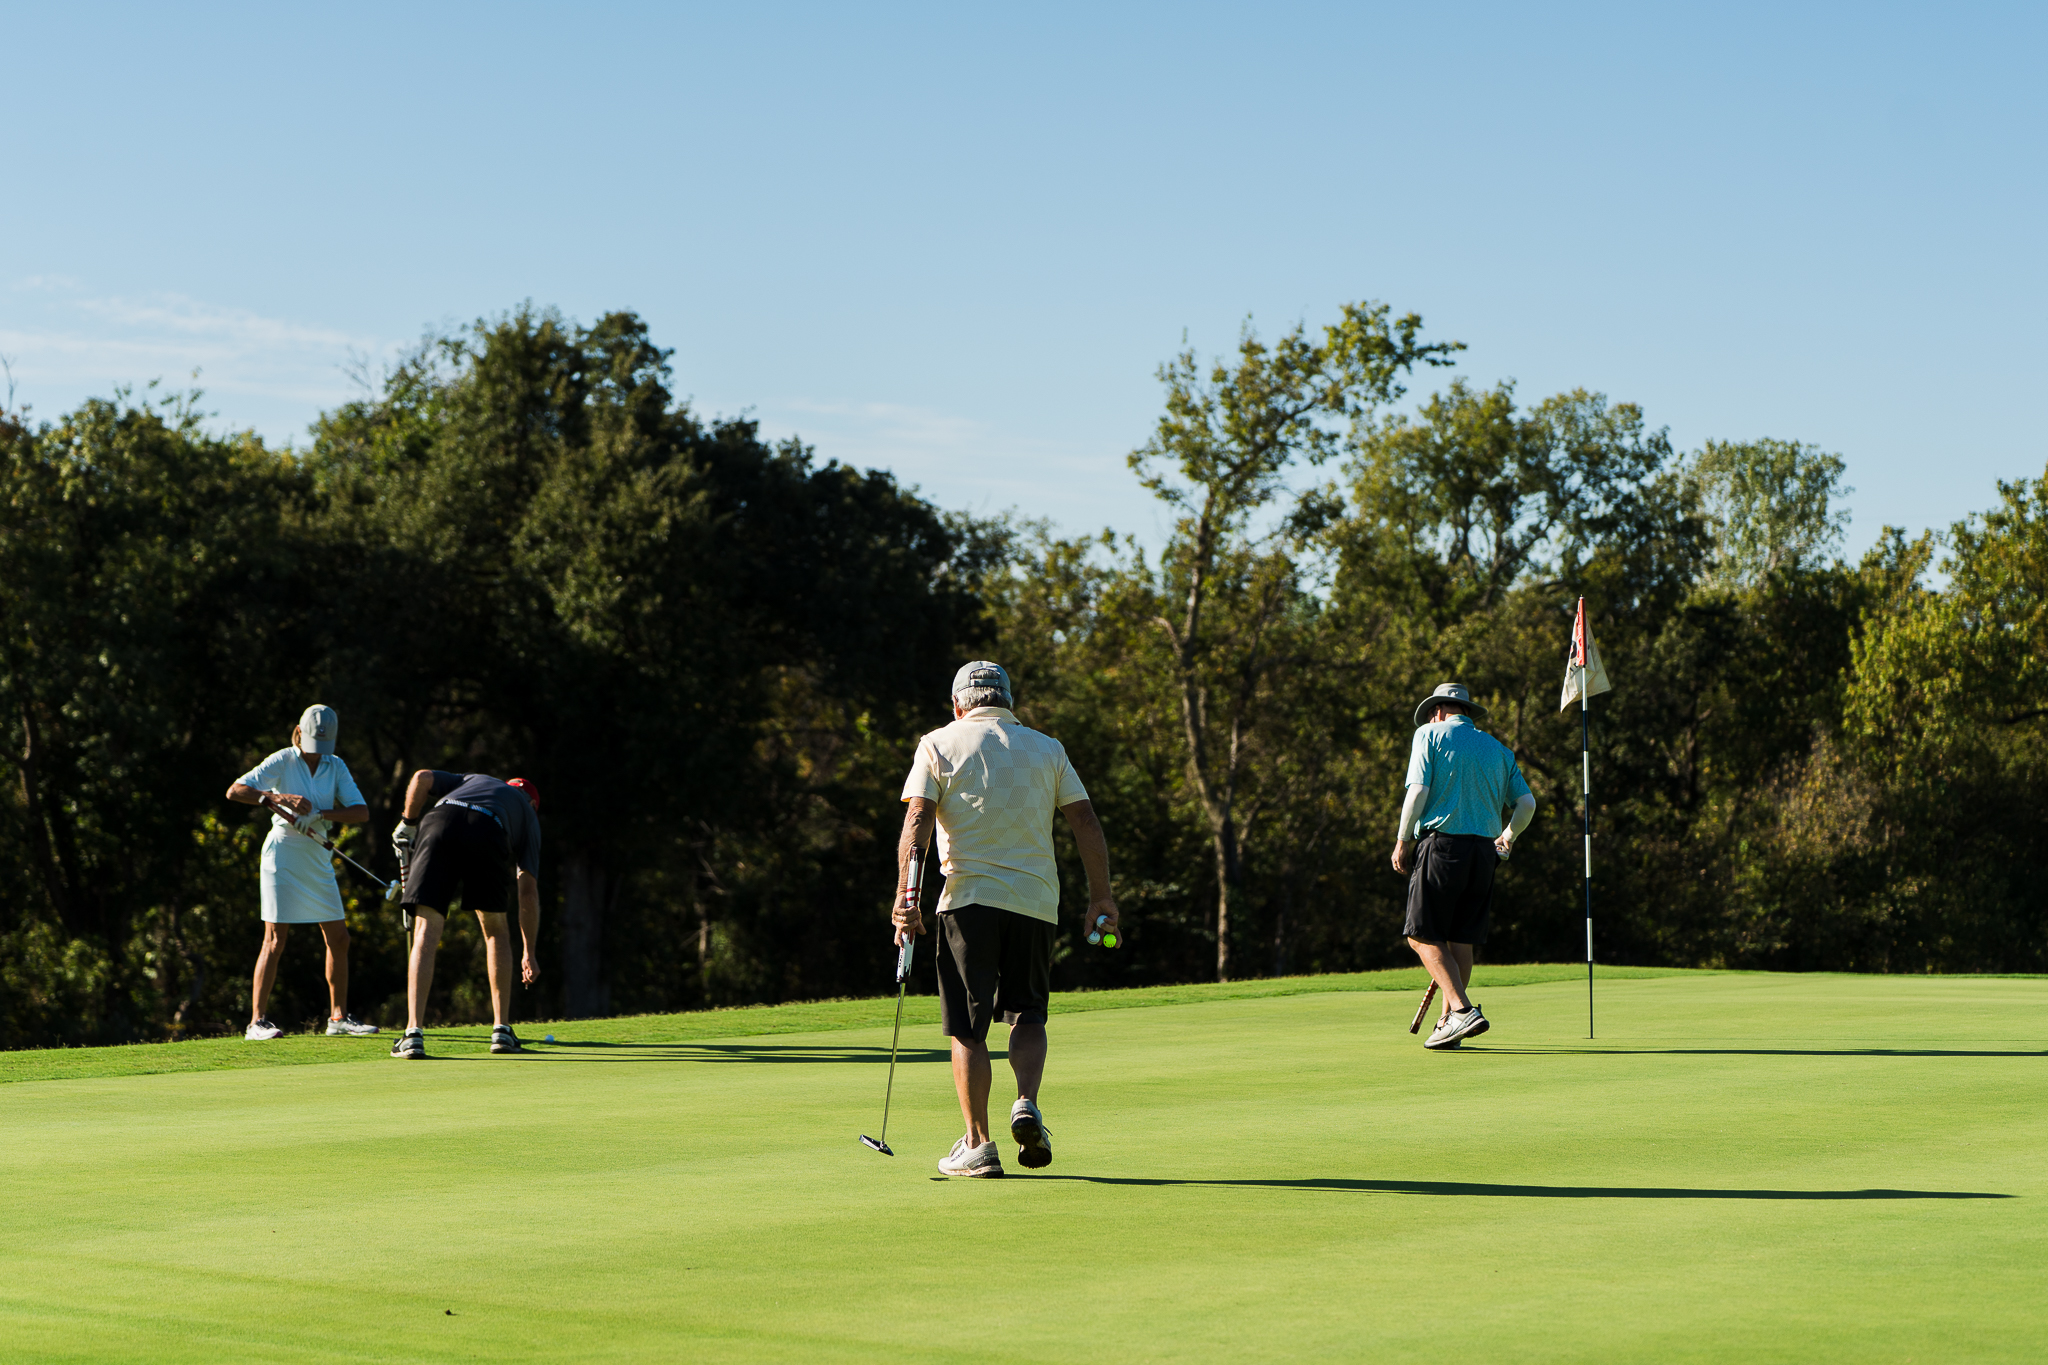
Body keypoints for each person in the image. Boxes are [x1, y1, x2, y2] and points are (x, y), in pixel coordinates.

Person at [892, 660, 1118, 1178]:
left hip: (968, 901)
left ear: (957, 705)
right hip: (1036, 902)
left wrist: (907, 898)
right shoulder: (1047, 748)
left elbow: (918, 818)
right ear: (1008, 702)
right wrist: (1101, 898)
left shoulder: (938, 743)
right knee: (1028, 1013)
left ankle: (977, 1144)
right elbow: (1084, 820)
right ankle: (1026, 1102)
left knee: (969, 1028)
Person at [1390, 683, 1535, 1050]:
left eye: (1430, 715)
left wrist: (1402, 839)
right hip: (1484, 853)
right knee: (1460, 940)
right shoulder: (1498, 749)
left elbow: (1418, 791)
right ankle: (1448, 1025)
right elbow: (1527, 804)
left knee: (1420, 935)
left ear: (1438, 710)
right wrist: (1507, 837)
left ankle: (1461, 1010)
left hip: (1442, 847)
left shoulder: (1429, 734)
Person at [225, 704, 380, 1039]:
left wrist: (322, 814)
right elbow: (235, 791)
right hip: (282, 854)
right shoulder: (282, 759)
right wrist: (278, 798)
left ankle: (338, 1018)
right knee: (275, 939)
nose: (315, 752)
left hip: (317, 855)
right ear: (298, 733)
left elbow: (361, 812)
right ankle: (256, 1022)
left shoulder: (336, 765)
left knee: (339, 937)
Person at [387, 769, 542, 1060]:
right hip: (489, 829)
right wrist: (529, 952)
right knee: (495, 931)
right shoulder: (528, 815)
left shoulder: (472, 779)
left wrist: (408, 823)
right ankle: (501, 1030)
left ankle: (412, 1034)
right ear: (532, 803)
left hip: (439, 820)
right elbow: (528, 892)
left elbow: (421, 777)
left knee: (425, 931)